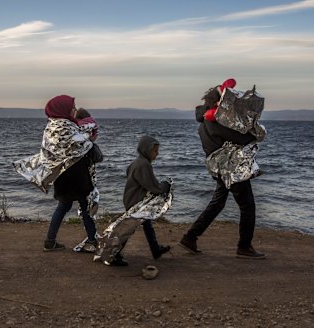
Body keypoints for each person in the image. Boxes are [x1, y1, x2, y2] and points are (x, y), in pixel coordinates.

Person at [180, 79, 266, 259]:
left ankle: (190, 237)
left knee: (217, 203)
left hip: (218, 168)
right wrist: (252, 131)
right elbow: (241, 139)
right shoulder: (216, 122)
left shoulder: (204, 122)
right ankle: (244, 247)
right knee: (247, 206)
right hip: (231, 168)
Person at [42, 95, 103, 252]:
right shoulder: (68, 127)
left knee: (63, 206)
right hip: (77, 174)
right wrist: (91, 137)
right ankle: (92, 241)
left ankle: (50, 241)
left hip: (61, 175)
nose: (75, 110)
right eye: (72, 107)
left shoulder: (51, 127)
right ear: (63, 108)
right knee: (86, 207)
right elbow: (82, 143)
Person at [109, 136, 171, 266]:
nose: (157, 154)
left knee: (146, 225)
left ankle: (155, 250)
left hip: (132, 199)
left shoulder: (137, 162)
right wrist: (165, 186)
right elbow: (152, 186)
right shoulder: (144, 165)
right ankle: (114, 254)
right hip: (135, 202)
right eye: (155, 151)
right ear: (146, 150)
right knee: (129, 229)